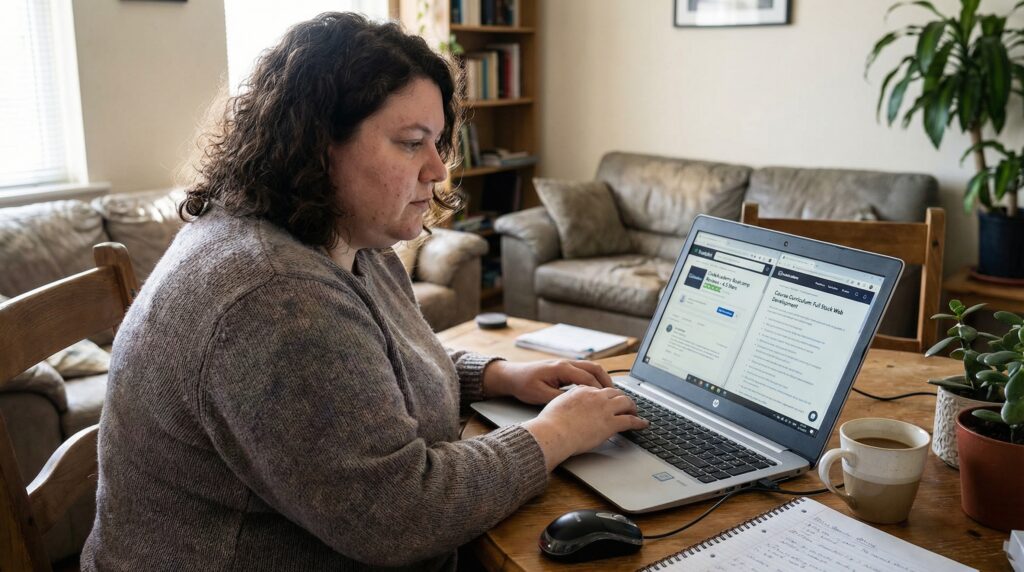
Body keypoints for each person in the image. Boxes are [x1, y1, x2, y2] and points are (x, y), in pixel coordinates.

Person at [81, 12, 647, 571]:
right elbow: (402, 515)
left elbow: (365, 366)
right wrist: (555, 433)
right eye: (411, 143)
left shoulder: (343, 240)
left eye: (437, 143)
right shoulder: (277, 299)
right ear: (317, 145)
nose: (438, 170)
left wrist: (497, 376)